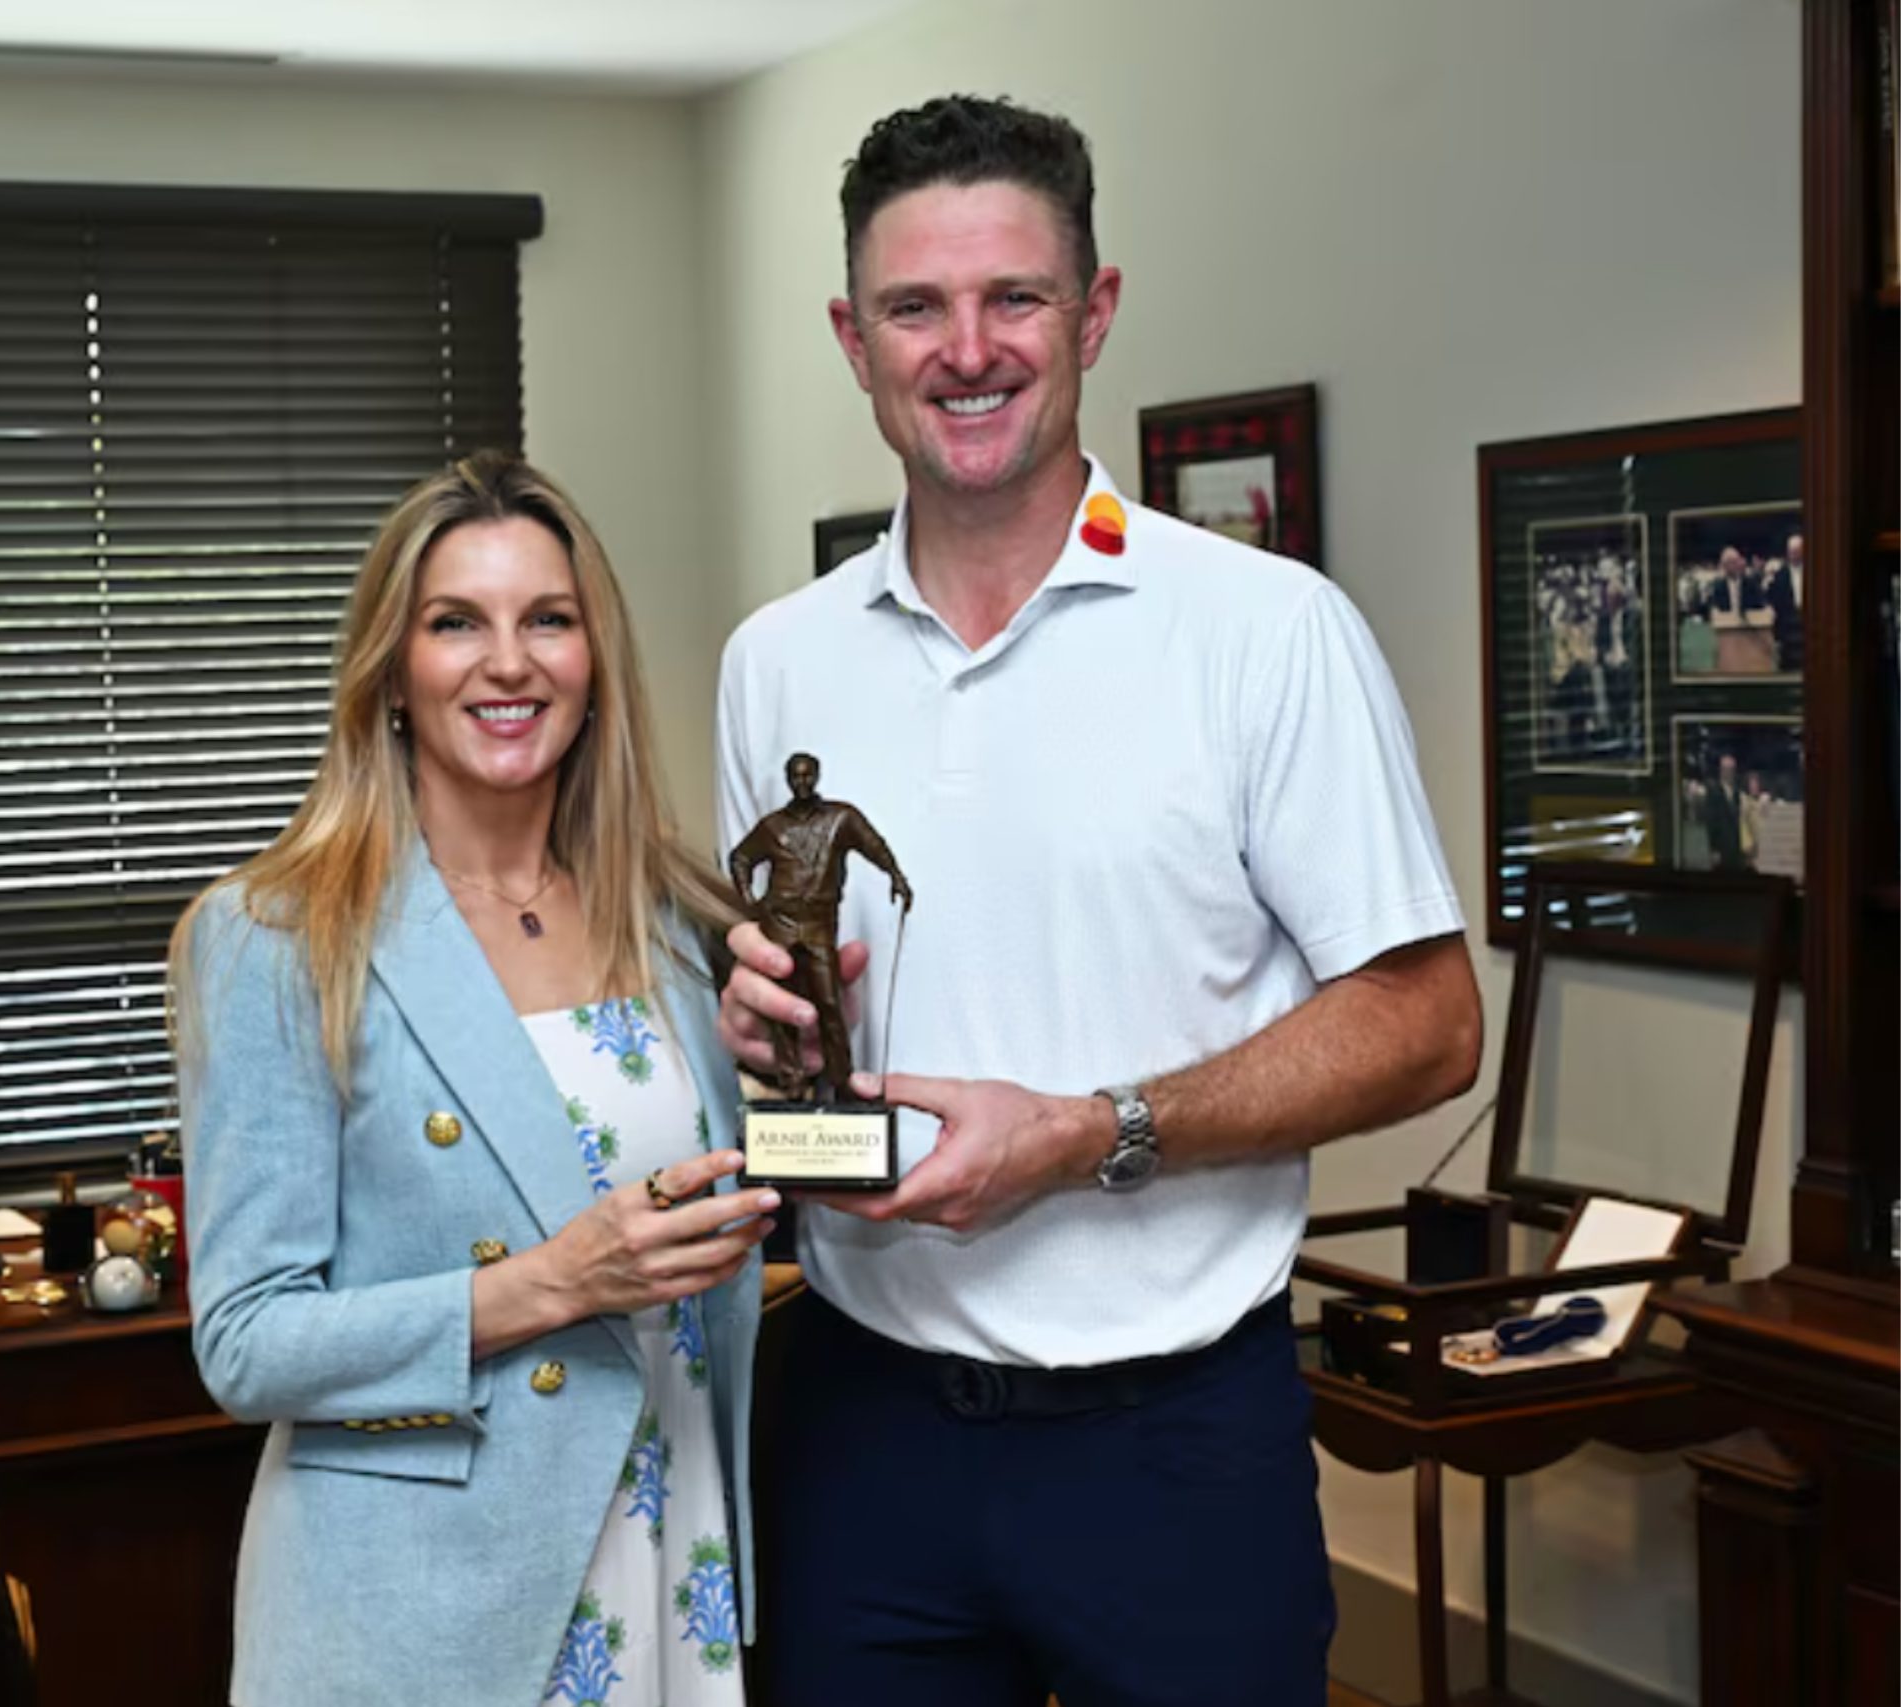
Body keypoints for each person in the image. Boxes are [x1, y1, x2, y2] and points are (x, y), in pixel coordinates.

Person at [713, 97, 1481, 1706]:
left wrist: (1091, 1128)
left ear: (1097, 311)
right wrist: (756, 1018)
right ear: (855, 339)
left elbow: (1428, 1023)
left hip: (1176, 1440)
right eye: (916, 307)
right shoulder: (777, 658)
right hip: (866, 1432)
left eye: (1016, 298)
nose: (967, 348)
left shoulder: (1265, 631)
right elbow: (791, 1004)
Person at [178, 452, 776, 1707]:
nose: (509, 663)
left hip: (669, 1552)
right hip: (429, 1609)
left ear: (593, 660)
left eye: (547, 620)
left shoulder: (675, 919)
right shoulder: (281, 935)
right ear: (392, 671)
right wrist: (549, 1285)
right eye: (458, 624)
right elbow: (246, 1343)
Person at [725, 752, 912, 1099]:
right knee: (782, 1004)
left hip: (819, 923)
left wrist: (895, 876)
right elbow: (740, 858)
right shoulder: (774, 827)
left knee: (828, 1001)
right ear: (787, 780)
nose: (802, 783)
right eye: (795, 777)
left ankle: (842, 1080)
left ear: (816, 776)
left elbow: (873, 845)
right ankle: (791, 1079)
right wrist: (749, 901)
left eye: (807, 776)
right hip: (780, 922)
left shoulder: (840, 819)